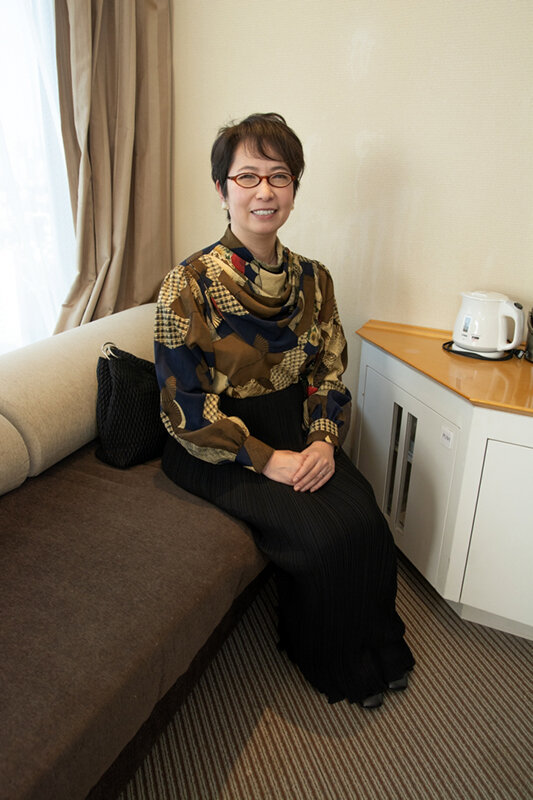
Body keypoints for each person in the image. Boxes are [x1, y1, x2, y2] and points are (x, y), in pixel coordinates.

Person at [154, 113, 414, 708]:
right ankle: (326, 658)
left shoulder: (314, 280)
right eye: (247, 176)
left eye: (279, 176)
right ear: (222, 189)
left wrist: (322, 439)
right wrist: (266, 459)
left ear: (294, 188)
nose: (264, 191)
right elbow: (184, 408)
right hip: (216, 443)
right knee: (319, 538)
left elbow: (328, 370)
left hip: (295, 426)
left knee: (367, 519)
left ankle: (378, 649)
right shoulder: (186, 284)